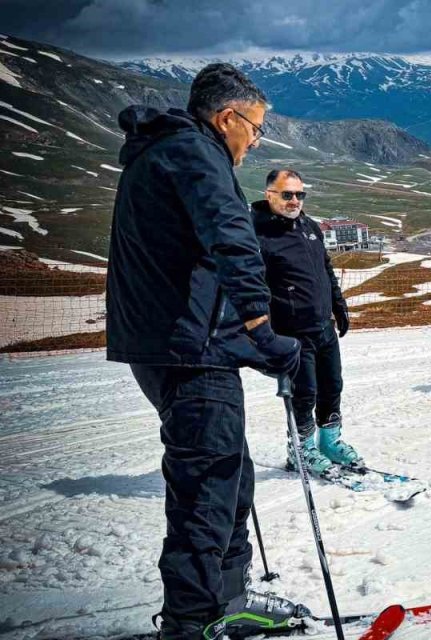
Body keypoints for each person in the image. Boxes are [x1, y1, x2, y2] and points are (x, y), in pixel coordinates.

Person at [106, 64, 308, 639]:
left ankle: (229, 600)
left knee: (230, 476)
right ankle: (192, 623)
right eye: (256, 128)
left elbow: (191, 261)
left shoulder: (163, 152)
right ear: (227, 118)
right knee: (207, 492)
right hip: (190, 353)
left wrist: (244, 340)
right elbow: (231, 236)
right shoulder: (195, 154)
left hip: (175, 345)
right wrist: (261, 329)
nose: (256, 141)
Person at [252, 169, 359, 476]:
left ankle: (329, 442)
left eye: (300, 194)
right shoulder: (257, 233)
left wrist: (338, 305)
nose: (295, 200)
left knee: (332, 386)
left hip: (323, 326)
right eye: (287, 194)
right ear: (269, 195)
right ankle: (301, 449)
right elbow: (252, 286)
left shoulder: (309, 226)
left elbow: (325, 269)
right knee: (304, 392)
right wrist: (263, 333)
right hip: (292, 332)